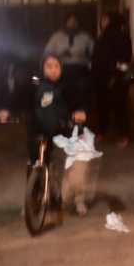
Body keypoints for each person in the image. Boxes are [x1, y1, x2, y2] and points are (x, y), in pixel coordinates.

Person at [28, 54, 88, 213]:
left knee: (76, 161)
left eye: (56, 66)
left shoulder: (69, 85)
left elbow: (79, 103)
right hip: (42, 130)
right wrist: (8, 111)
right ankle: (33, 199)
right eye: (49, 66)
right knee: (34, 161)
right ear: (42, 68)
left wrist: (80, 112)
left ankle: (78, 198)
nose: (53, 70)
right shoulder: (36, 85)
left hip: (64, 129)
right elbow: (24, 101)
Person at [92, 11, 133, 146]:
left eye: (105, 19)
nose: (102, 22)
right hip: (106, 76)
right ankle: (109, 133)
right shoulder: (106, 36)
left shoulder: (116, 36)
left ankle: (121, 135)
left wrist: (114, 74)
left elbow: (122, 59)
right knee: (109, 106)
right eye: (102, 19)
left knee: (116, 107)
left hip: (113, 77)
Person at [43, 12, 94, 113]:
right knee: (63, 91)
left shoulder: (85, 37)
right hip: (63, 68)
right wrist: (60, 54)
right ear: (66, 23)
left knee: (80, 91)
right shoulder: (57, 37)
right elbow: (47, 52)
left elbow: (94, 52)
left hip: (80, 69)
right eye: (70, 22)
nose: (72, 24)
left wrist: (85, 58)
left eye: (74, 22)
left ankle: (79, 111)